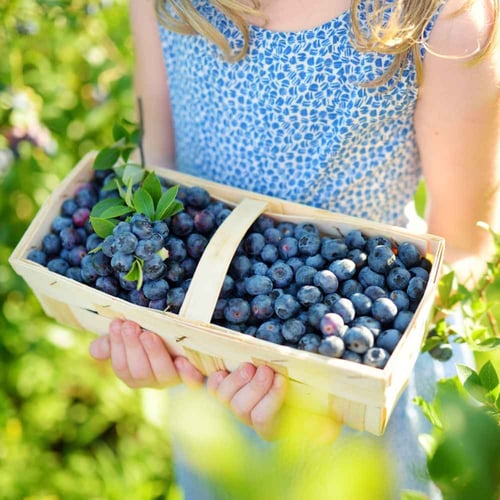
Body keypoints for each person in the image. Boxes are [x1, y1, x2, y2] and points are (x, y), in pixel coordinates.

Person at [89, 0, 500, 497]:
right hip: (211, 375)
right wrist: (147, 329)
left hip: (362, 384)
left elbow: (463, 249)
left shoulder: (444, 16)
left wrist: (329, 399)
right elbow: (156, 167)